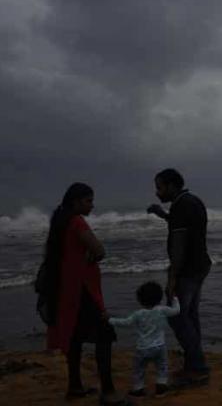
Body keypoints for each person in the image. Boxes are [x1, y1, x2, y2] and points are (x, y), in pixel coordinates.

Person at [42, 183, 128, 405]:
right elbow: (99, 250)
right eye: (88, 200)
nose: (92, 205)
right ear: (76, 201)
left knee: (75, 337)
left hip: (65, 289)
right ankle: (108, 393)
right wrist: (90, 260)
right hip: (83, 289)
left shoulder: (59, 221)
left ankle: (75, 387)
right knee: (105, 335)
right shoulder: (77, 221)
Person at [147, 168, 212, 385]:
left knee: (176, 317)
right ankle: (193, 364)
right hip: (200, 265)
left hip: (187, 270)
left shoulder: (181, 205)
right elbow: (186, 228)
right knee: (190, 316)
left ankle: (198, 367)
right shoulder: (192, 201)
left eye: (159, 187)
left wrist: (172, 278)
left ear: (171, 186)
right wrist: (163, 215)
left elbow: (179, 245)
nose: (157, 192)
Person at [109, 281, 181, 397]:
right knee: (162, 366)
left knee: (139, 369)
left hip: (143, 348)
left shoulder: (138, 314)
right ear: (159, 298)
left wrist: (110, 320)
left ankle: (139, 389)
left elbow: (125, 323)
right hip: (160, 346)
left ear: (140, 300)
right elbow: (176, 310)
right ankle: (161, 386)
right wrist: (175, 299)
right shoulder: (162, 310)